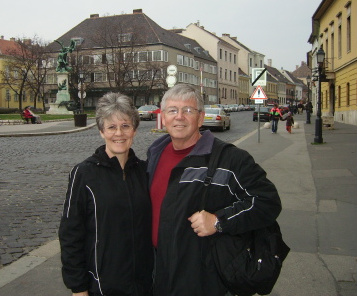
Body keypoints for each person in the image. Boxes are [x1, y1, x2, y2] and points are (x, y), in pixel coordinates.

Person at [147, 84, 281, 296]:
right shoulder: (155, 154)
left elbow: (266, 201)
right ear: (163, 117)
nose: (179, 117)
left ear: (200, 118)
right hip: (158, 273)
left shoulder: (230, 159)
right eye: (172, 110)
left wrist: (219, 221)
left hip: (204, 280)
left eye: (188, 110)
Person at [59, 92, 154, 296]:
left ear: (134, 130)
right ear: (102, 131)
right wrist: (78, 288)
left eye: (125, 126)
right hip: (103, 286)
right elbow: (70, 234)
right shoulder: (84, 174)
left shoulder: (146, 172)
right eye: (111, 127)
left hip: (145, 285)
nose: (118, 133)